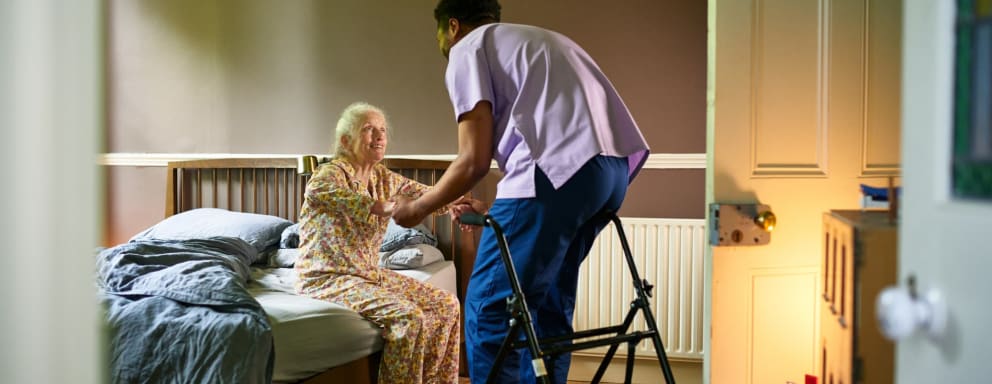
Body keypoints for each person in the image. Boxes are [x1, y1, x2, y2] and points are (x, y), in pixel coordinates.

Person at [390, 1, 651, 383]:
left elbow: (473, 161)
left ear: (453, 26)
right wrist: (496, 210)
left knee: (491, 308)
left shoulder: (468, 47)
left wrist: (415, 209)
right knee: (547, 303)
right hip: (609, 174)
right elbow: (559, 167)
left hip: (555, 175)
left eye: (439, 35)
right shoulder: (538, 41)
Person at [294, 102, 460, 384]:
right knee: (409, 319)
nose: (379, 136)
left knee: (447, 305)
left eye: (382, 129)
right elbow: (333, 196)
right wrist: (386, 207)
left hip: (367, 274)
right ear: (346, 141)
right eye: (368, 129)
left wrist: (457, 203)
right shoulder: (329, 174)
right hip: (326, 277)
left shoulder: (382, 176)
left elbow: (425, 194)